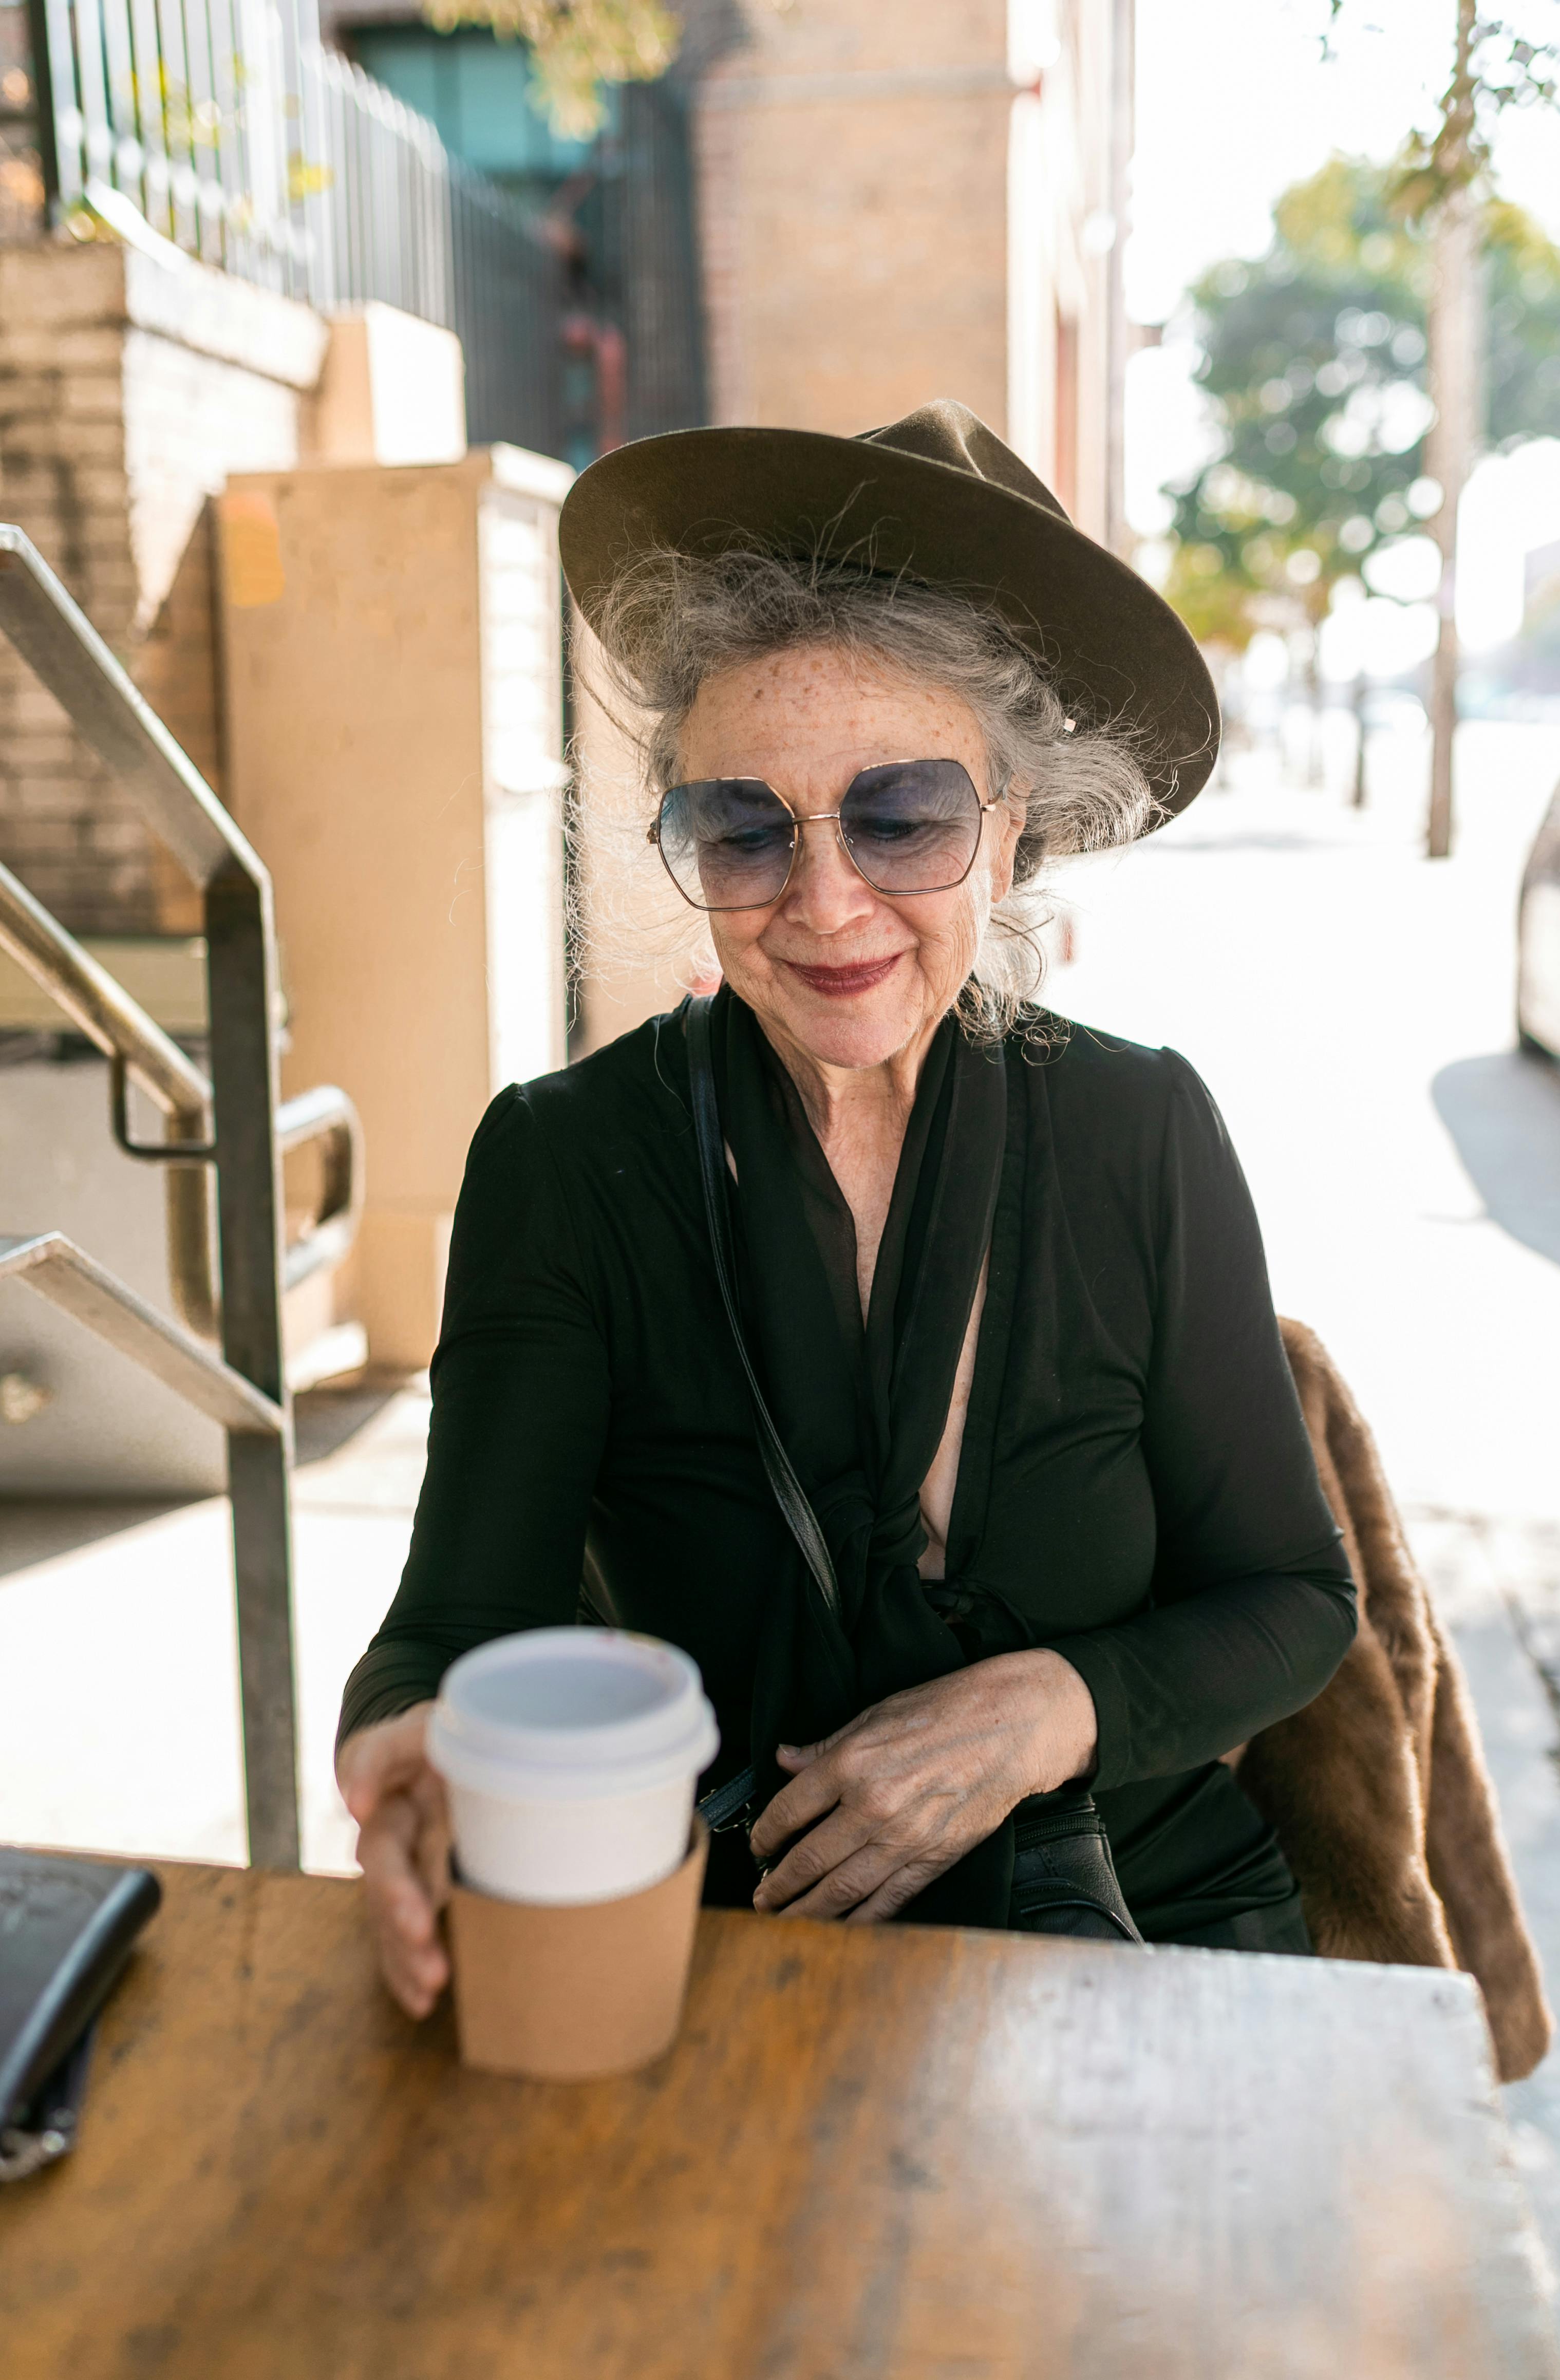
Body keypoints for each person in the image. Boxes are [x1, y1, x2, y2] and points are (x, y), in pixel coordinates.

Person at [336, 401, 1356, 2018]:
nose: (823, 902)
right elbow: (456, 1626)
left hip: (1147, 1925)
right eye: (744, 830)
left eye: (901, 816)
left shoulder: (1136, 1128)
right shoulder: (563, 1159)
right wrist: (408, 1749)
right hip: (737, 1947)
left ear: (1009, 828)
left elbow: (1297, 1600)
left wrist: (1044, 1709)